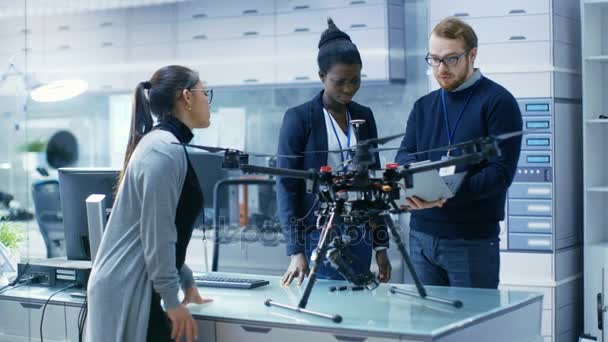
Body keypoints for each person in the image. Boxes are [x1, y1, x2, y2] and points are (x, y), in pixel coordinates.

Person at [87, 65, 214, 342]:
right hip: (127, 287)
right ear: (187, 97)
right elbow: (157, 232)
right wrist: (171, 299)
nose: (208, 100)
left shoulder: (166, 146)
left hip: (136, 283)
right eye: (206, 92)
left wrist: (186, 280)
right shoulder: (163, 150)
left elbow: (164, 228)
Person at [395, 17, 523, 289]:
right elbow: (405, 155)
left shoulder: (498, 102)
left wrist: (444, 193)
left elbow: (499, 174)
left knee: (472, 328)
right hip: (420, 237)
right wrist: (418, 188)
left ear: (472, 55)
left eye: (451, 59)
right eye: (434, 59)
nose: (441, 69)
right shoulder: (424, 106)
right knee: (427, 326)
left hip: (471, 240)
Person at [277, 19, 391, 287]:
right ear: (321, 77)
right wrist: (296, 251)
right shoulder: (299, 119)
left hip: (360, 232)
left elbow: (375, 185)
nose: (348, 89)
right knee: (325, 313)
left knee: (359, 312)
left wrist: (381, 247)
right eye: (339, 82)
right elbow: (286, 187)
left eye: (355, 80)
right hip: (318, 234)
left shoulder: (364, 116)